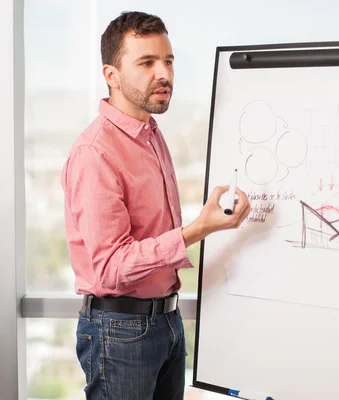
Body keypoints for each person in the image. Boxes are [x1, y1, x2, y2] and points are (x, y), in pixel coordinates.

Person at [61, 11, 251, 400]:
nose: (163, 73)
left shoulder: (150, 134)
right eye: (146, 63)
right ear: (111, 75)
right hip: (120, 331)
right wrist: (199, 228)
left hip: (166, 321)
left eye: (168, 61)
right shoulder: (96, 153)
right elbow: (111, 266)